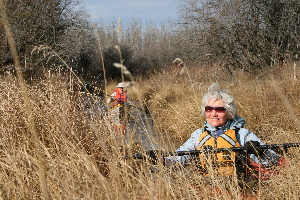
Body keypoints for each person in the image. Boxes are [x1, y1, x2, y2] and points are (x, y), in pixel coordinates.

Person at [165, 83, 280, 197]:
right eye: (209, 109)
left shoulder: (242, 134)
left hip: (238, 190)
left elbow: (273, 160)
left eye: (219, 109)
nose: (213, 114)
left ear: (229, 112)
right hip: (208, 189)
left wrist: (259, 151)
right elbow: (179, 159)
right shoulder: (198, 134)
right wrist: (162, 160)